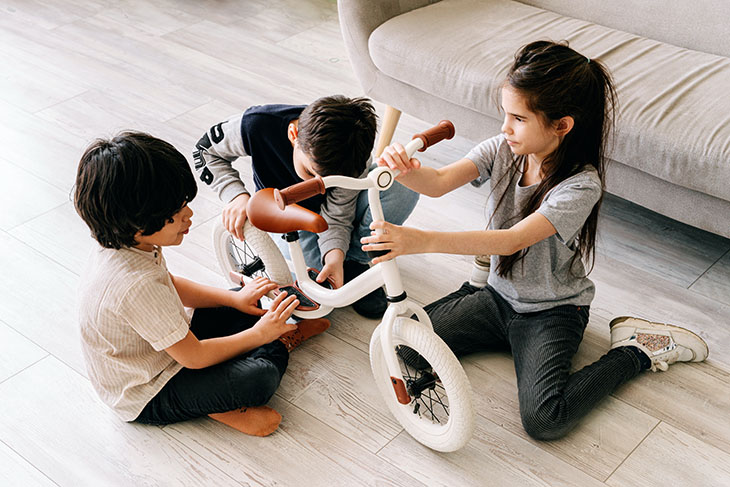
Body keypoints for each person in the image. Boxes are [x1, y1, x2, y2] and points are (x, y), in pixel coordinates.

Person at [362, 41, 709, 440]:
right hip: (497, 297)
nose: (505, 127)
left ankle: (637, 350)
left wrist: (418, 241)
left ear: (562, 125)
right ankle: (474, 288)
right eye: (505, 114)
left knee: (546, 420)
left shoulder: (580, 186)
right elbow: (438, 183)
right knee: (406, 351)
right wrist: (405, 171)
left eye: (518, 118)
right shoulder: (503, 147)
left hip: (551, 311)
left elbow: (510, 241)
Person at [74, 132, 329, 436]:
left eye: (184, 203)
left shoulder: (125, 242)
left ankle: (267, 341)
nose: (189, 214)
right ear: (138, 225)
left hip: (169, 344)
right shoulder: (132, 284)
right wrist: (259, 335)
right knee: (258, 378)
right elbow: (193, 357)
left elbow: (170, 284)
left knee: (245, 300)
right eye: (176, 213)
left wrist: (233, 300)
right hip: (151, 388)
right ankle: (227, 397)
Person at [193, 95, 419, 319]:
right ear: (294, 136)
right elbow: (205, 151)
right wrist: (237, 196)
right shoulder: (258, 124)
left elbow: (338, 215)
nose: (315, 182)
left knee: (404, 182)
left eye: (331, 179)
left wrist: (334, 256)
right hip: (288, 219)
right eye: (311, 172)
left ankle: (354, 261)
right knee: (313, 299)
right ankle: (342, 264)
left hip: (334, 216)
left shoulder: (352, 157)